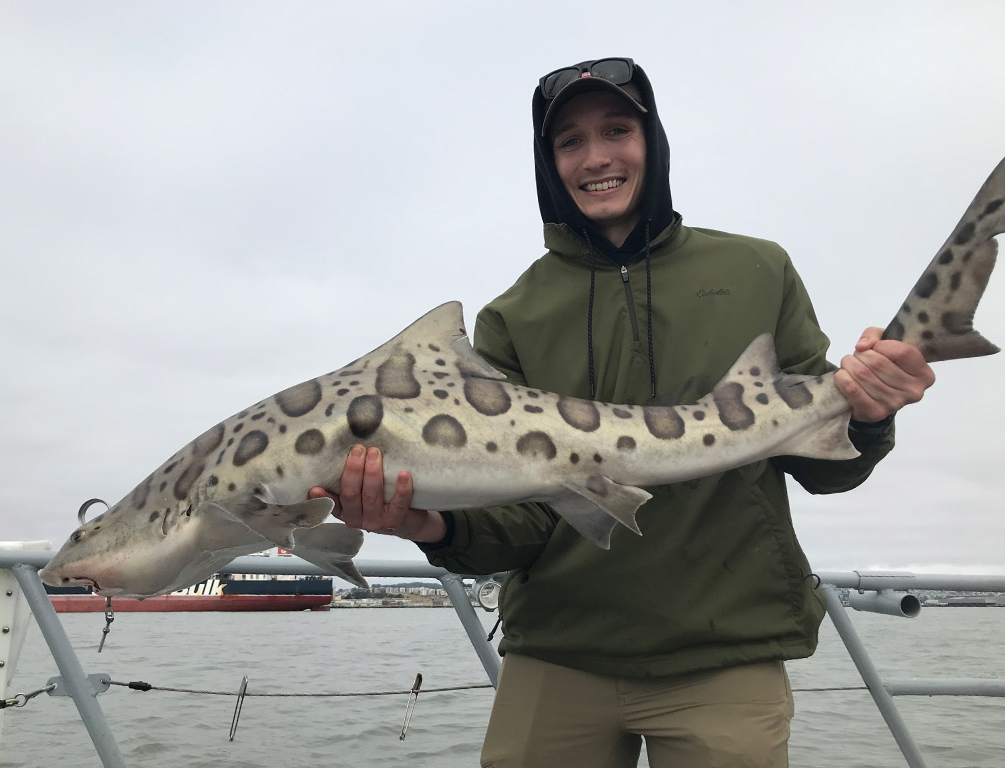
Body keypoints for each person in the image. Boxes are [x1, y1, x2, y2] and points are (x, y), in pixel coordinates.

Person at [310, 57, 935, 767]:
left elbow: (823, 469)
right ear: (548, 163)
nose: (596, 157)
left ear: (653, 141)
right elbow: (520, 523)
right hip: (558, 653)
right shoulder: (513, 315)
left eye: (616, 130)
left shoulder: (755, 270)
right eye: (569, 141)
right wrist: (427, 522)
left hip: (724, 652)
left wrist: (871, 413)